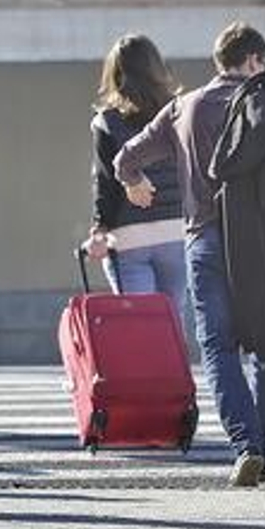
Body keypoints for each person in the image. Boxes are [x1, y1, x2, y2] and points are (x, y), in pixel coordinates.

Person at [115, 22, 265, 487]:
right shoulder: (261, 104)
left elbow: (126, 158)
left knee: (218, 348)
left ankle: (245, 446)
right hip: (258, 245)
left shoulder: (183, 107)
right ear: (253, 61)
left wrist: (135, 183)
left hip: (204, 240)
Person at [86, 35, 187, 319]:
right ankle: (169, 365)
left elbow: (105, 183)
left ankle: (145, 365)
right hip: (177, 231)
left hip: (129, 237)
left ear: (115, 74)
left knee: (140, 322)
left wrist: (99, 229)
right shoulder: (179, 112)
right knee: (171, 320)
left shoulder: (107, 122)